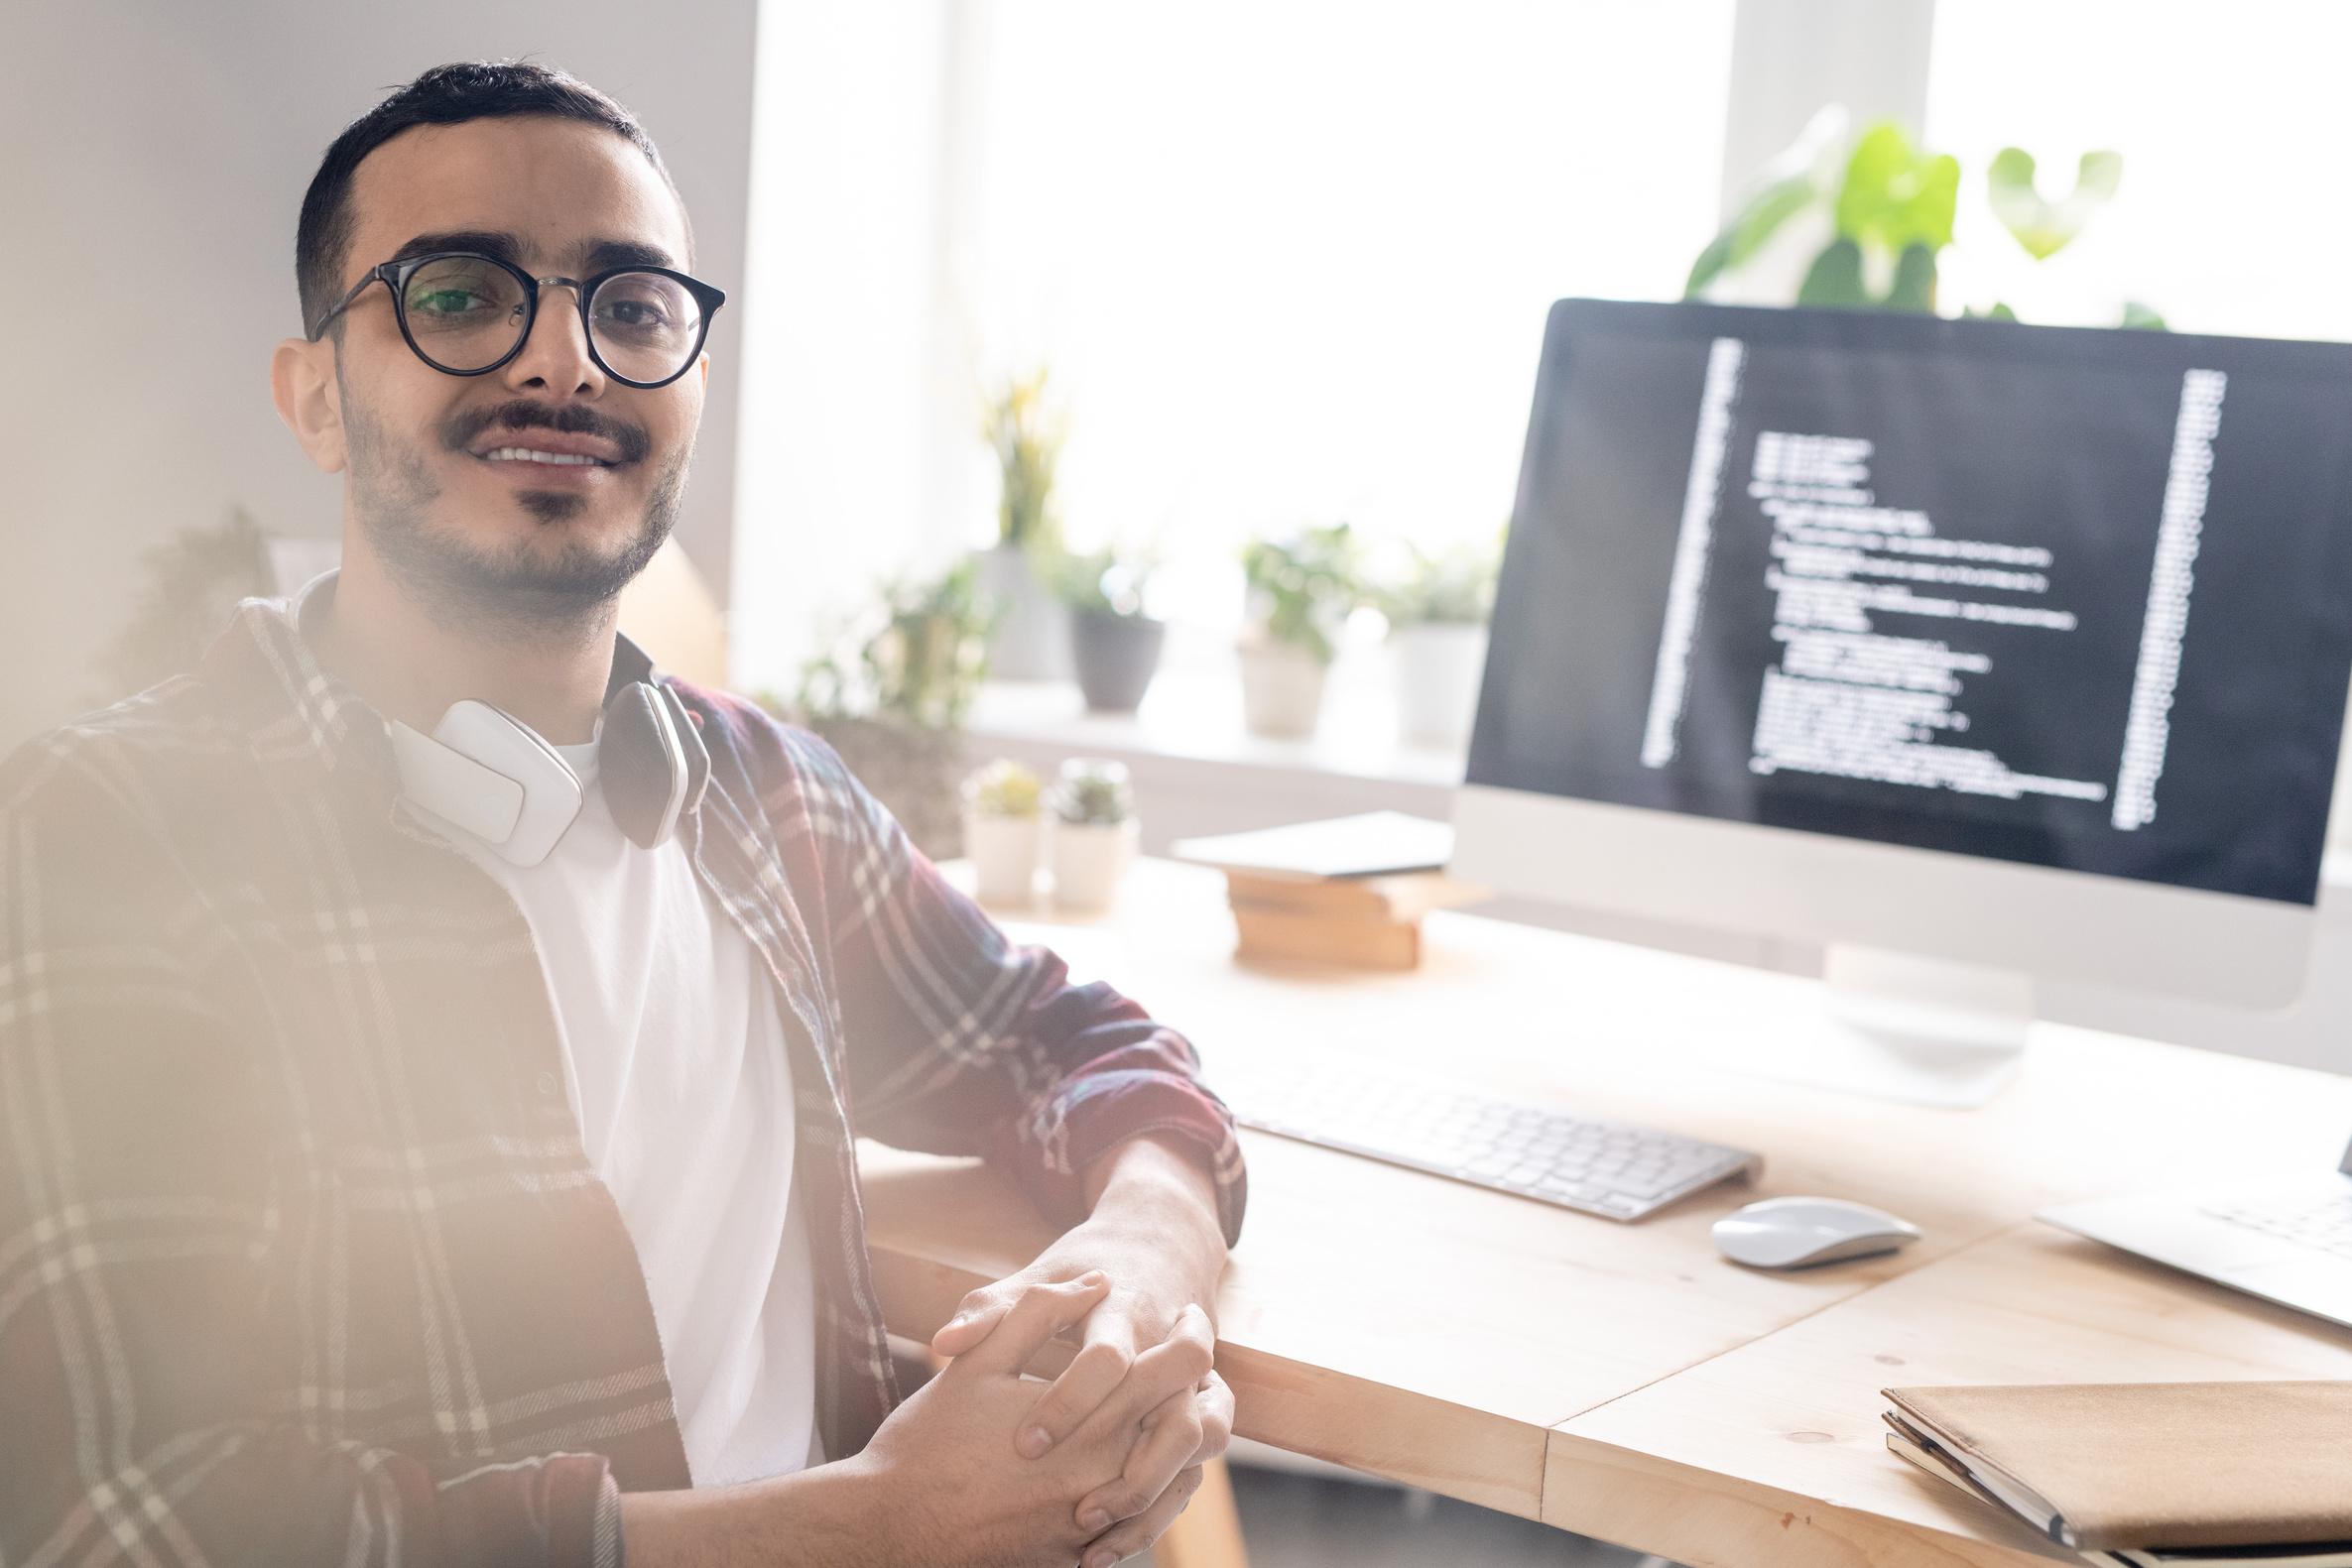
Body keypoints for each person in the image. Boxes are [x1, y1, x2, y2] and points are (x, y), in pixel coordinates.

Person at [0, 61, 1244, 1568]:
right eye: (461, 295)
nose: (564, 365)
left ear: (693, 388)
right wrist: (868, 1527)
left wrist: (1148, 1239)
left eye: (634, 308)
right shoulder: (99, 834)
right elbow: (121, 1522)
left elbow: (1080, 1045)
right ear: (315, 395)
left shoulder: (765, 797)